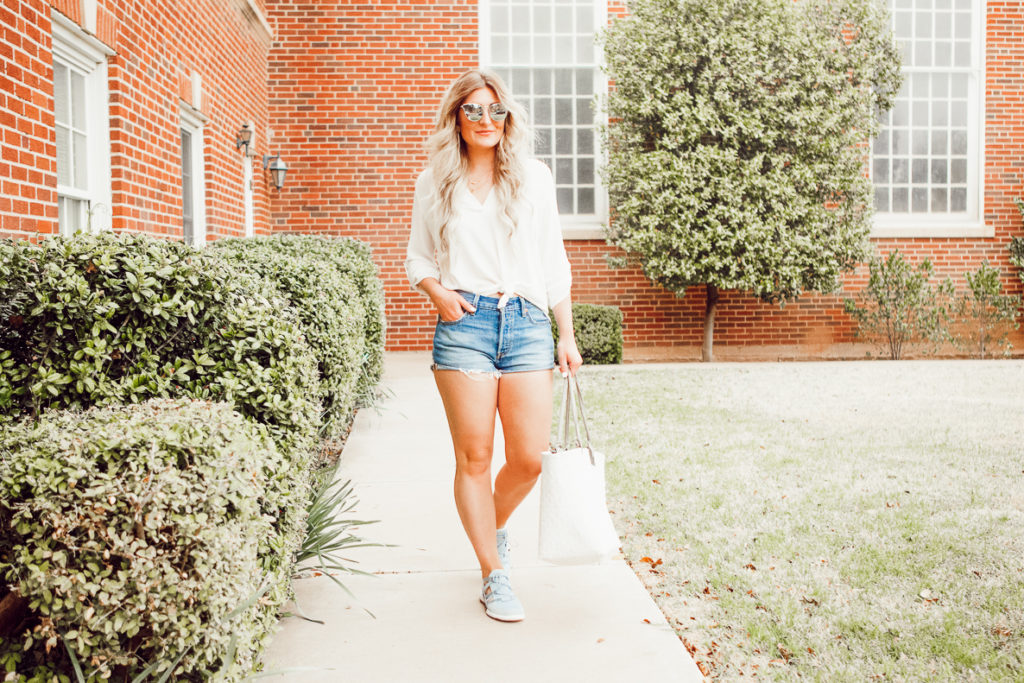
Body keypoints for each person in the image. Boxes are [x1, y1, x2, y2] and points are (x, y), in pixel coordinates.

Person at [405, 69, 583, 622]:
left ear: (509, 117)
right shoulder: (435, 180)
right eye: (473, 110)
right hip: (465, 327)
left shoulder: (534, 177)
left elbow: (554, 261)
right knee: (475, 457)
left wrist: (567, 335)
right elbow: (417, 258)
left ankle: (492, 527)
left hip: (527, 322)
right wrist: (438, 293)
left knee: (529, 460)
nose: (486, 120)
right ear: (456, 117)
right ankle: (494, 573)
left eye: (496, 110)